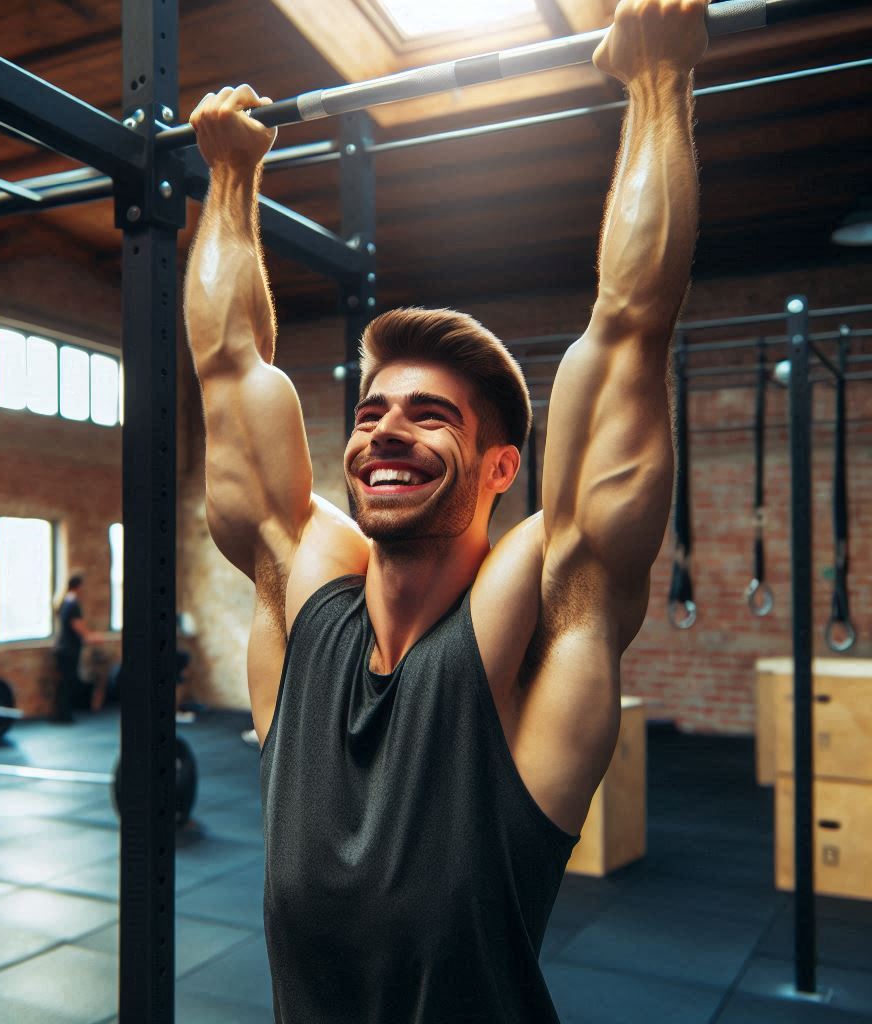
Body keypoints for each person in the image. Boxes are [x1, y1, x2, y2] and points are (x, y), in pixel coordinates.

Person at [184, 0, 708, 1018]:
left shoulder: (541, 635)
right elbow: (226, 363)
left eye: (430, 418)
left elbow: (632, 324)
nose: (384, 431)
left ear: (501, 464)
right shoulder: (302, 604)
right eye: (372, 410)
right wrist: (230, 179)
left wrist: (655, 85)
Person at [52, 572, 104, 722]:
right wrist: (93, 637)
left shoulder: (65, 602)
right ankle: (64, 715)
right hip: (68, 650)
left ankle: (62, 714)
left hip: (63, 648)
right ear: (79, 587)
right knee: (68, 682)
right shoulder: (72, 604)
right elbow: (78, 627)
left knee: (65, 682)